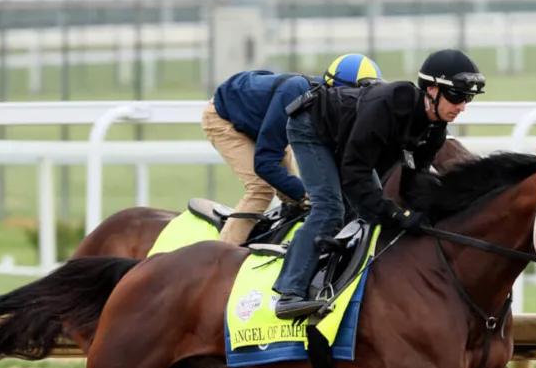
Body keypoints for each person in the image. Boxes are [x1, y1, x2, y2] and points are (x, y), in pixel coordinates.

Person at [272, 48, 486, 319]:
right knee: (330, 208)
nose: (462, 107)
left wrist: (430, 212)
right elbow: (354, 173)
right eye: (456, 96)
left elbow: (414, 180)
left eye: (467, 98)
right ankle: (290, 292)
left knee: (372, 211)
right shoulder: (387, 105)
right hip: (311, 127)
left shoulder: (434, 130)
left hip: (348, 140)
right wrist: (396, 213)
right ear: (431, 90)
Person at [201, 54, 383, 245]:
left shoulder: (328, 100)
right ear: (341, 91)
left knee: (295, 195)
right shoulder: (296, 96)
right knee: (262, 189)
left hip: (262, 118)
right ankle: (220, 254)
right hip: (224, 117)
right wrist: (304, 192)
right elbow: (264, 164)